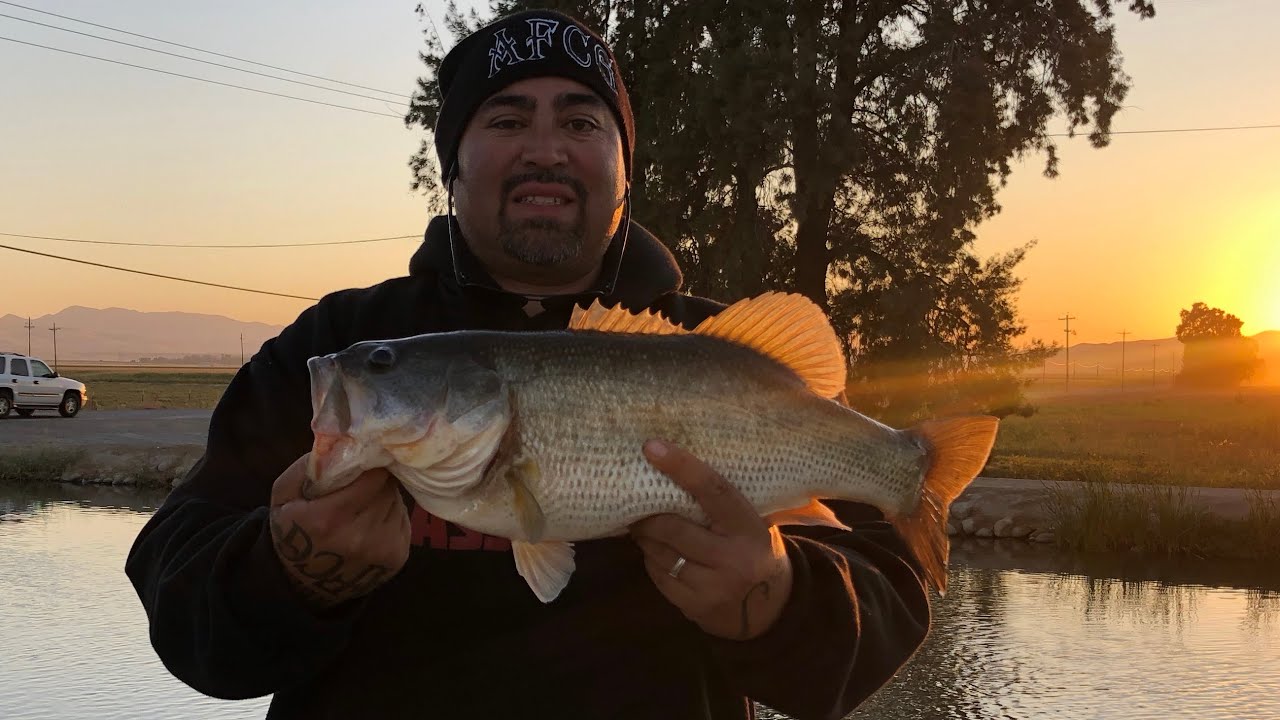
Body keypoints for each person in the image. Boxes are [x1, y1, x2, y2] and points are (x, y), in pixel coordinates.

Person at [126, 9, 930, 720]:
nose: (546, 150)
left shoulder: (718, 351)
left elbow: (880, 622)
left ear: (623, 172)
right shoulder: (342, 343)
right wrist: (288, 573)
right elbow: (182, 608)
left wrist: (778, 601)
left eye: (582, 124)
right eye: (507, 120)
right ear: (453, 165)